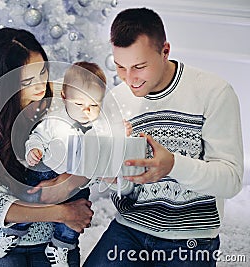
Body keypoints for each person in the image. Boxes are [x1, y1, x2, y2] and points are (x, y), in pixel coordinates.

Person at [83, 7, 244, 266]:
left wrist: (173, 165)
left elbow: (231, 181)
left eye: (139, 66)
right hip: (130, 229)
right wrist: (113, 177)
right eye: (120, 67)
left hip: (192, 238)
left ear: (165, 51)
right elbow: (123, 187)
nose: (129, 79)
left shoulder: (214, 92)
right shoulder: (117, 99)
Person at [0, 27, 93, 267]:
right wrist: (62, 212)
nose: (40, 86)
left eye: (42, 72)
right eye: (28, 81)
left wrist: (70, 181)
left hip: (54, 248)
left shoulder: (61, 105)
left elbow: (94, 154)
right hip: (3, 250)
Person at [0, 62, 115, 264]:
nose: (86, 111)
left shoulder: (99, 127)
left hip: (75, 180)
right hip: (45, 174)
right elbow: (37, 137)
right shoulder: (55, 120)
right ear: (64, 97)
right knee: (30, 199)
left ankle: (59, 248)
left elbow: (109, 148)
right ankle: (11, 233)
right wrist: (34, 150)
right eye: (80, 104)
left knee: (74, 220)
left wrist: (120, 133)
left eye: (94, 105)